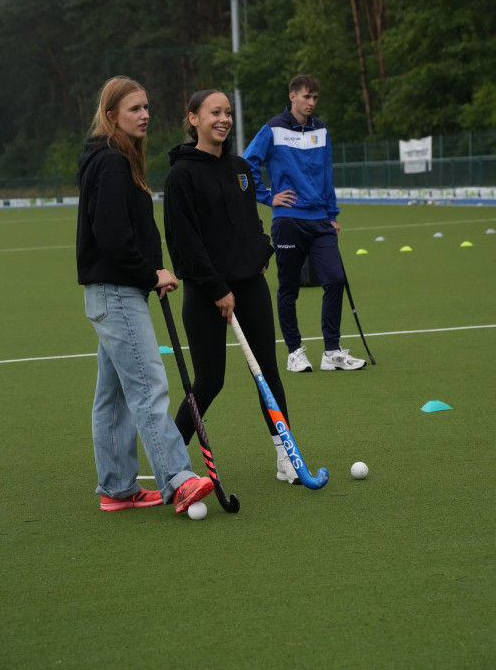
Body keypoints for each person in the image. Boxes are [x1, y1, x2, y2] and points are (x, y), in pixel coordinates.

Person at [76, 76, 214, 513]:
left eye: (147, 107)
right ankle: (178, 477)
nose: (145, 115)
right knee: (149, 387)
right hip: (117, 293)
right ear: (111, 114)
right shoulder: (113, 162)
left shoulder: (111, 158)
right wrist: (149, 273)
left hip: (109, 293)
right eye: (134, 108)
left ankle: (117, 488)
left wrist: (148, 271)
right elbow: (113, 234)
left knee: (114, 397)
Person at [163, 89, 300, 484]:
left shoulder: (240, 168)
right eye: (214, 112)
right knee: (209, 381)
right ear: (194, 119)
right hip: (207, 292)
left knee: (268, 374)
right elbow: (184, 242)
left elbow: (251, 225)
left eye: (227, 113)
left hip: (250, 286)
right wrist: (217, 288)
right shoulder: (181, 175)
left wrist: (261, 256)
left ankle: (285, 457)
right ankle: (169, 461)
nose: (223, 119)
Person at [243, 74, 366, 373]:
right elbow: (246, 162)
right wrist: (268, 196)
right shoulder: (273, 128)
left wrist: (332, 215)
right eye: (306, 97)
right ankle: (294, 351)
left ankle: (332, 351)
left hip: (320, 220)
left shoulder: (321, 129)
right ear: (292, 97)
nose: (311, 102)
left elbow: (327, 174)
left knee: (335, 279)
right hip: (288, 221)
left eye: (315, 97)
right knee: (288, 287)